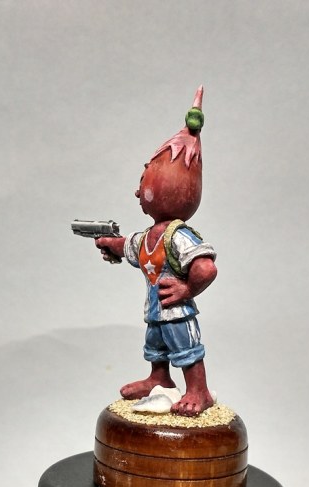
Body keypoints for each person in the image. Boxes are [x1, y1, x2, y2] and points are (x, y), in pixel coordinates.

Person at [95, 86, 217, 417]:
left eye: (145, 181)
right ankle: (158, 378)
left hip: (176, 311)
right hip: (155, 309)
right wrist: (110, 245)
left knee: (186, 348)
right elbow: (128, 245)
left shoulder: (178, 235)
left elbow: (205, 268)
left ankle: (199, 390)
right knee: (156, 345)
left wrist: (186, 290)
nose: (138, 191)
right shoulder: (150, 236)